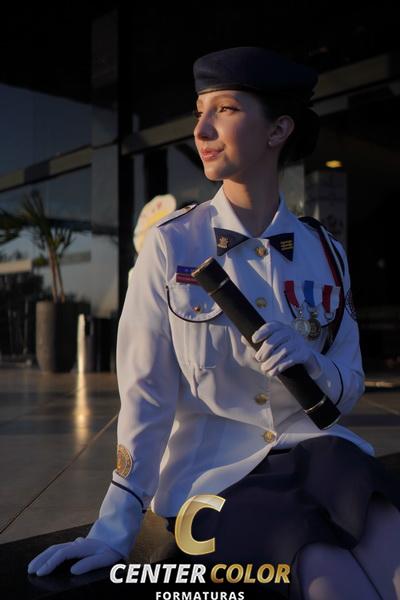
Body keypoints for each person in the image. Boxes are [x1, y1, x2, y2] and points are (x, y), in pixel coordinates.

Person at [28, 47, 400, 599]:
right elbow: (147, 399)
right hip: (217, 477)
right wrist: (114, 529)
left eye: (224, 109)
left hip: (319, 452)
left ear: (278, 130)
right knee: (324, 570)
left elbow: (348, 386)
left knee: (389, 538)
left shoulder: (326, 253)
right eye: (199, 110)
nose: (201, 129)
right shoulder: (172, 246)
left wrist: (311, 362)